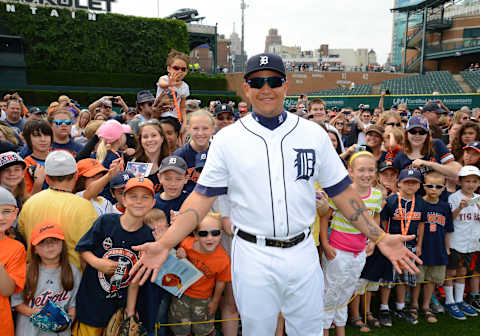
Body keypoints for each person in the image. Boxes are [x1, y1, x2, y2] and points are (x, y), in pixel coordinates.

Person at [131, 53, 421, 336]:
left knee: (308, 330)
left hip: (302, 250)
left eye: (273, 81)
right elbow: (200, 199)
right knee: (259, 330)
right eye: (257, 83)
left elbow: (341, 191)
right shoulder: (227, 140)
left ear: (286, 85)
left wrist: (379, 237)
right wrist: (166, 242)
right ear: (246, 89)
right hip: (253, 252)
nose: (266, 88)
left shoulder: (313, 133)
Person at [72, 177, 156, 335]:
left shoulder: (148, 237)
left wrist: (130, 314)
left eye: (145, 197)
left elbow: (135, 279)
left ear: (153, 203)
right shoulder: (106, 222)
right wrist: (97, 263)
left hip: (118, 306)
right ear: (123, 200)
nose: (139, 201)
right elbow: (83, 248)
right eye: (133, 196)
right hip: (92, 302)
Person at [320, 152, 382, 335]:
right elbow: (325, 217)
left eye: (371, 170)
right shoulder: (341, 194)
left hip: (359, 252)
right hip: (338, 251)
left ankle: (340, 329)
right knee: (330, 292)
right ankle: (323, 329)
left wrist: (373, 240)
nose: (366, 174)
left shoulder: (377, 195)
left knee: (347, 292)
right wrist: (325, 243)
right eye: (361, 170)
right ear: (350, 172)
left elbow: (375, 216)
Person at [17, 151, 98, 270]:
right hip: (72, 281)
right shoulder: (85, 207)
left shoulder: (30, 203)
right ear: (76, 176)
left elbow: (23, 233)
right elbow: (90, 249)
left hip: (35, 278)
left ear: (47, 178)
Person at [12, 222, 81, 336]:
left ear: (62, 244)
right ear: (35, 249)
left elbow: (73, 305)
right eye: (42, 242)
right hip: (29, 331)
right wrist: (35, 312)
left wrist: (66, 322)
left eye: (55, 240)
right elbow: (16, 302)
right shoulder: (26, 271)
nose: (50, 245)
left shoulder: (72, 271)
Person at [170, 212, 231, 336]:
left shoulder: (223, 259)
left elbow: (221, 282)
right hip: (181, 294)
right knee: (180, 327)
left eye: (215, 233)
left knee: (204, 329)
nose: (210, 238)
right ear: (195, 235)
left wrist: (215, 301)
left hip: (203, 299)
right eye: (203, 234)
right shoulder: (186, 244)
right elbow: (178, 264)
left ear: (221, 233)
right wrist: (180, 254)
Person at [379, 168, 427, 325]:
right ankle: (384, 308)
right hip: (392, 247)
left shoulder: (420, 203)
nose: (410, 186)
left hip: (411, 247)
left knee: (404, 279)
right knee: (388, 279)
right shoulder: (391, 201)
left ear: (419, 185)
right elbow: (384, 224)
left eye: (414, 183)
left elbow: (421, 225)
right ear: (399, 183)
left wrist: (419, 244)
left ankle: (400, 307)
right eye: (407, 183)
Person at [410, 171, 453, 324]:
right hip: (421, 248)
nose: (434, 189)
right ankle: (414, 305)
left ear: (443, 188)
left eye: (438, 186)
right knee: (418, 279)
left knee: (431, 280)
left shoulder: (445, 206)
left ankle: (426, 306)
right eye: (430, 186)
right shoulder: (418, 203)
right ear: (424, 186)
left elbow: (448, 229)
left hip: (438, 248)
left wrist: (447, 248)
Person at [445, 165, 480, 319]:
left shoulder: (478, 199)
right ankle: (449, 300)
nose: (470, 184)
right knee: (451, 271)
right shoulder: (454, 197)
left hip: (472, 242)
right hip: (456, 241)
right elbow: (449, 219)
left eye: (474, 181)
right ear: (460, 182)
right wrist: (459, 208)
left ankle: (459, 300)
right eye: (467, 181)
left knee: (463, 271)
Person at [0, 186, 26, 336]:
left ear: (15, 213)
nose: (1, 218)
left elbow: (7, 290)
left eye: (6, 212)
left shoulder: (16, 248)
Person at [173, 110, 215, 193]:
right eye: (195, 128)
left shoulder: (218, 153)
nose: (200, 133)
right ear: (188, 129)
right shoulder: (179, 156)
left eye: (205, 128)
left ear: (213, 129)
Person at [130, 120, 170, 192]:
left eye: (154, 135)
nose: (150, 140)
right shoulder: (133, 163)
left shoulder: (170, 164)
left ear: (162, 138)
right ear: (141, 141)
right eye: (145, 137)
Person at [156, 49, 190, 122]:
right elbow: (162, 84)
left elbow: (182, 107)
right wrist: (169, 84)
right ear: (169, 68)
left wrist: (184, 123)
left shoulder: (185, 87)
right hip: (160, 117)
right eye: (176, 68)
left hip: (175, 119)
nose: (179, 71)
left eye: (183, 69)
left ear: (186, 71)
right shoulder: (165, 78)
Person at [154, 156, 189, 225]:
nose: (173, 184)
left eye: (178, 179)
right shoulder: (152, 202)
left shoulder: (190, 201)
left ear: (186, 179)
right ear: (159, 178)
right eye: (168, 179)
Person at [22, 119, 52, 195]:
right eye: (37, 136)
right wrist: (38, 183)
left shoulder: (60, 159)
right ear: (28, 139)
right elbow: (27, 201)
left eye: (46, 135)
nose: (43, 139)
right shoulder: (25, 165)